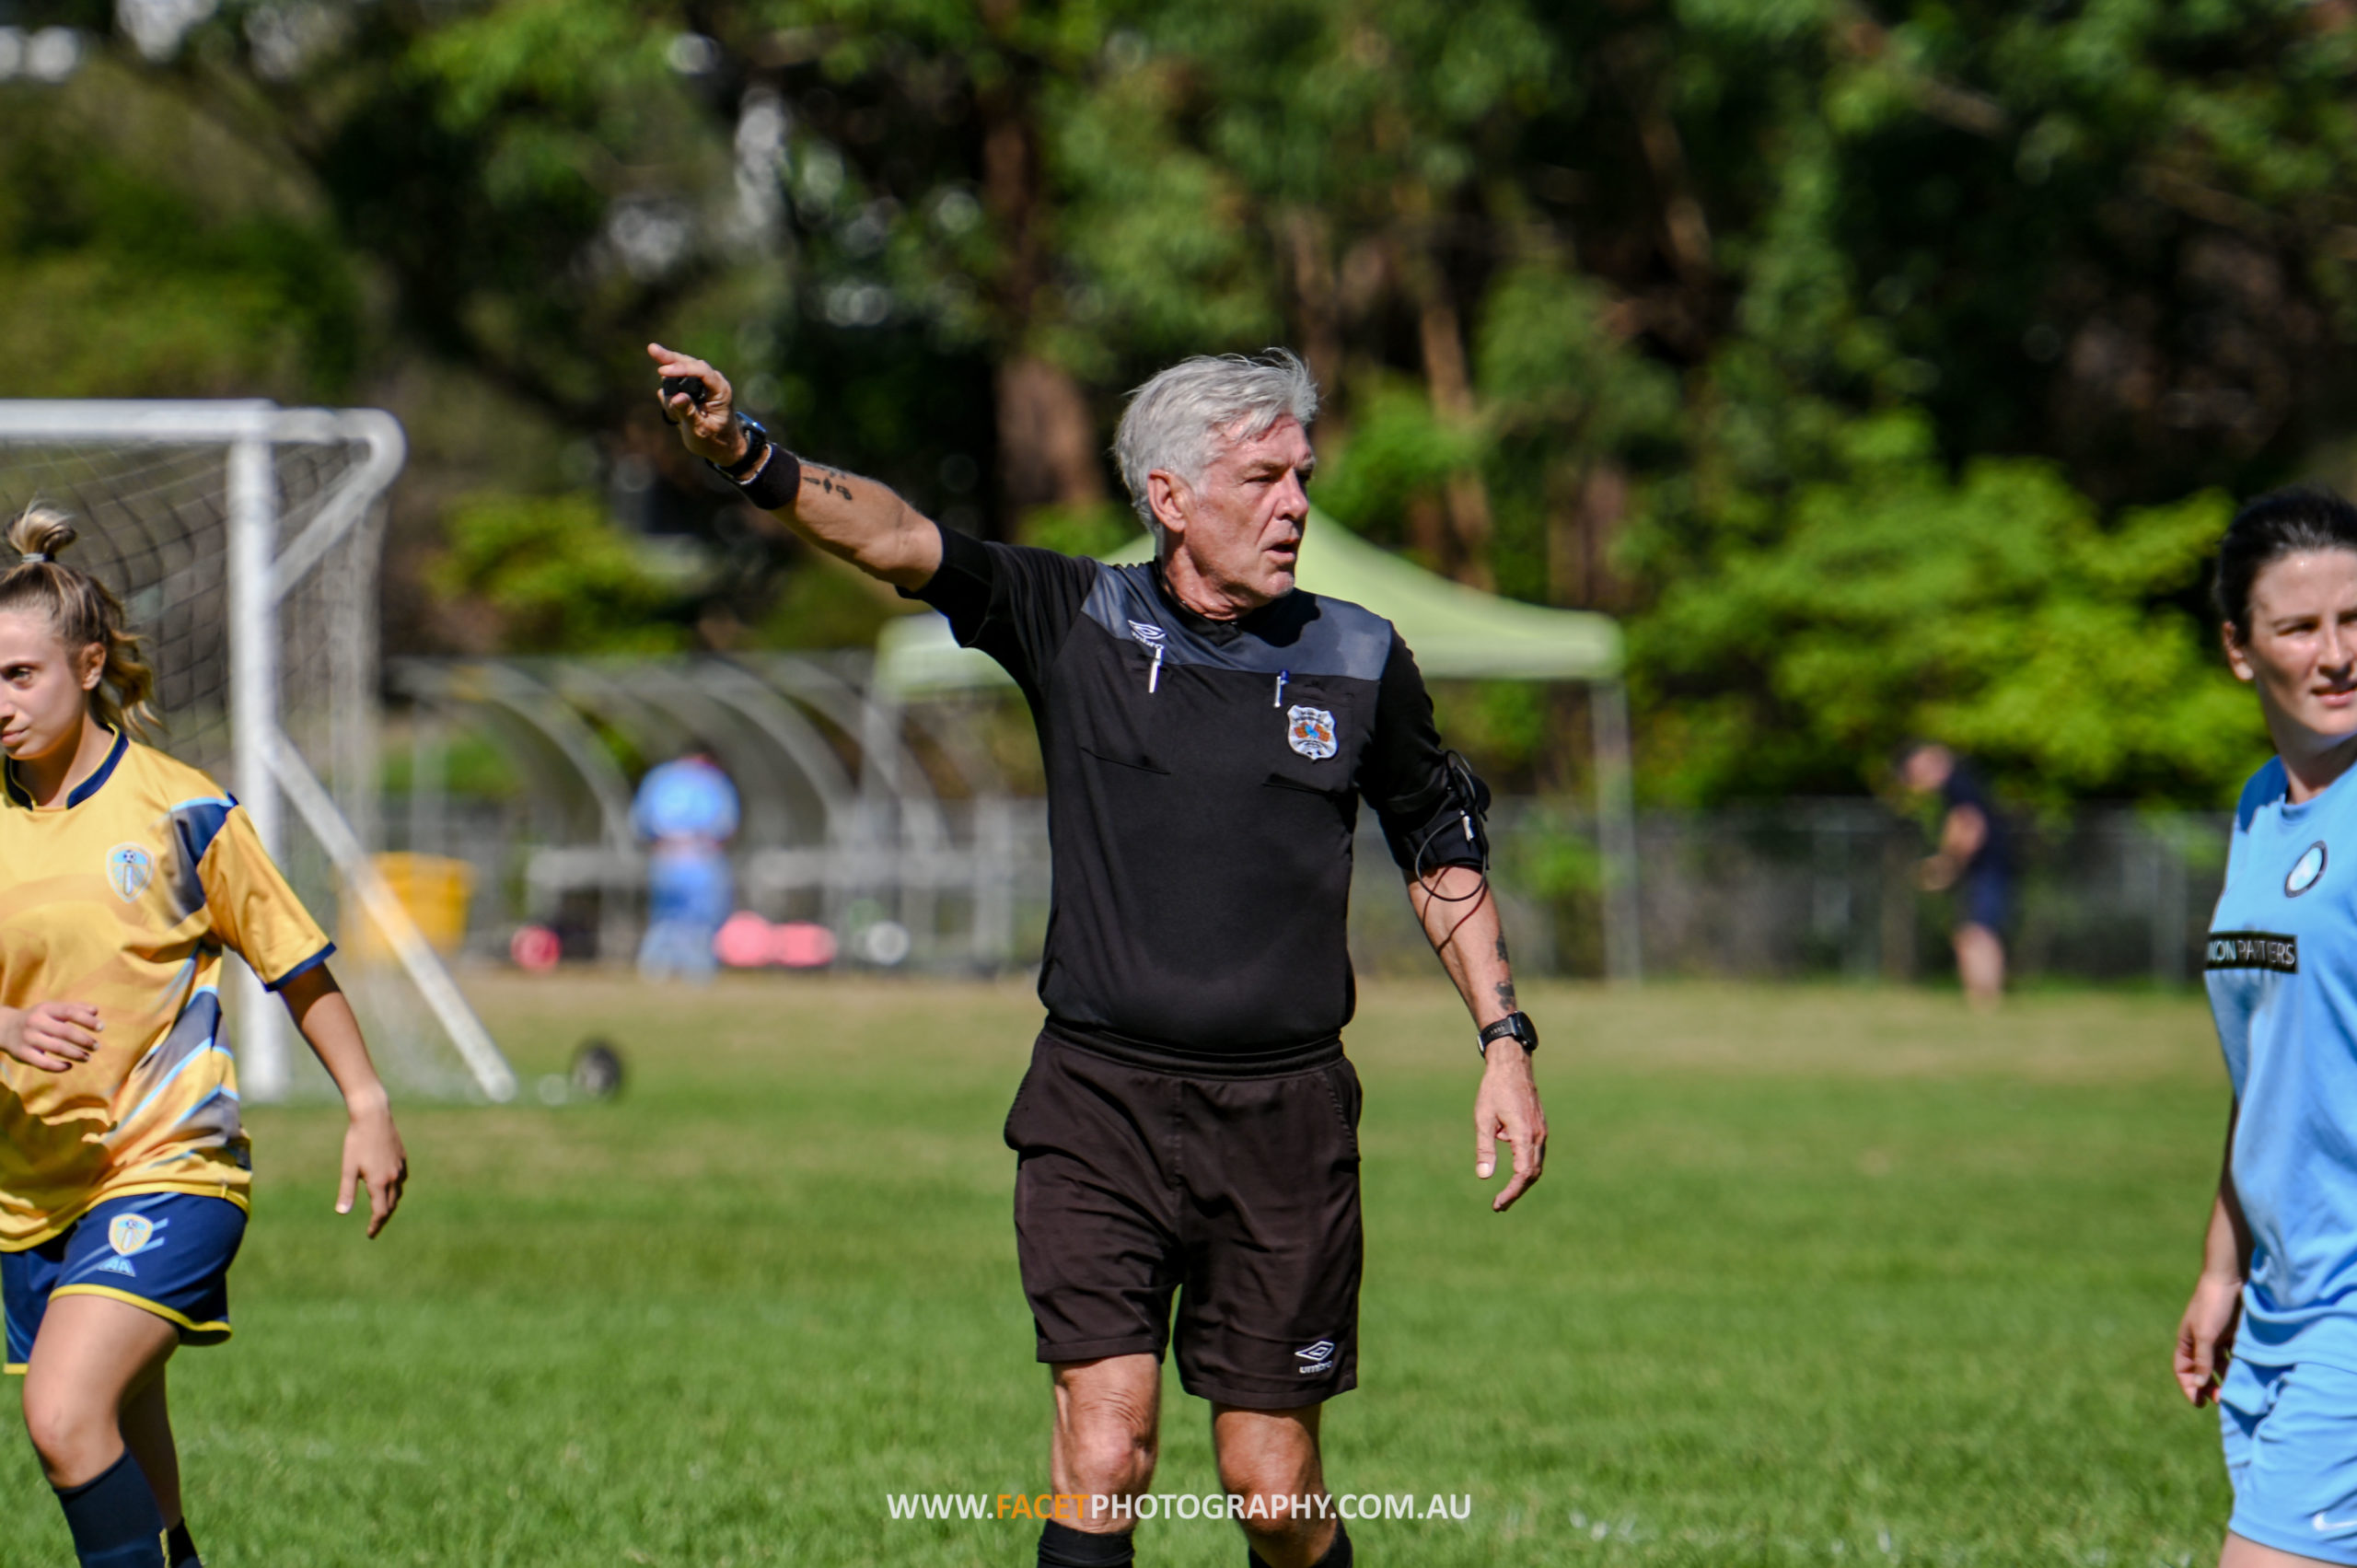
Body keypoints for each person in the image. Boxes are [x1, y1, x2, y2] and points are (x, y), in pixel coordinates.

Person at [650, 342, 1547, 1568]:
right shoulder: (1076, 616)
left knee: (1271, 1487)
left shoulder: (1359, 654)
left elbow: (1438, 841)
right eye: (1262, 477)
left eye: (1303, 475)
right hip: (1098, 1104)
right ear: (1170, 497)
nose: (1295, 504)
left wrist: (1503, 1039)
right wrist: (749, 451)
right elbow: (900, 539)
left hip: (1283, 1116)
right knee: (1104, 1449)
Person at [0, 506, 409, 1568]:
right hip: (30, 1183)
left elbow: (294, 962)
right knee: (123, 1420)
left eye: (19, 675)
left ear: (87, 666)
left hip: (171, 1161)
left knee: (63, 1412)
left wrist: (366, 1103)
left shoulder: (180, 813)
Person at [2177, 487, 2357, 1568]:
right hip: (2287, 1299)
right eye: (2300, 626)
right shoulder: (2258, 808)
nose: (2336, 654)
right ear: (2241, 649)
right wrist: (2220, 1267)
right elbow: (2270, 1066)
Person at [1899, 740, 2013, 1008]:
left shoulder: (1957, 783)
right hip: (1984, 866)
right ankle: (1981, 998)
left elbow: (1970, 824)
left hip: (1988, 866)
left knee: (1978, 933)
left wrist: (1950, 863)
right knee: (1970, 932)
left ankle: (1984, 999)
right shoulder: (1961, 782)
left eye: (1914, 770)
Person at [632, 749, 739, 983]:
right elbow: (726, 825)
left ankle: (654, 972)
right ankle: (697, 976)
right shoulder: (712, 782)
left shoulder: (659, 779)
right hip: (700, 860)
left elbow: (642, 823)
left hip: (667, 857)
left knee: (665, 919)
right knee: (699, 922)